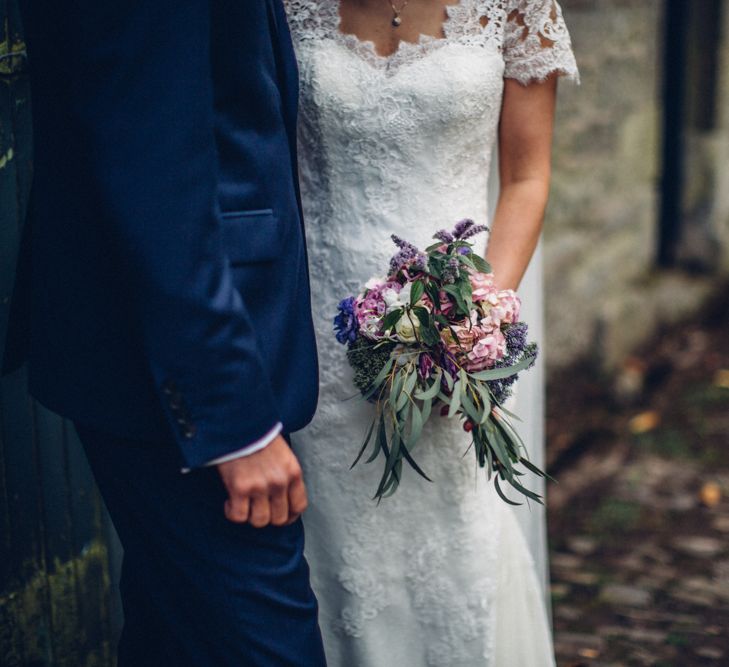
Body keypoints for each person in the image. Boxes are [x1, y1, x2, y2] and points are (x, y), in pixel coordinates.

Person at [3, 1, 327, 665]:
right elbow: (151, 158)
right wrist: (231, 421)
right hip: (178, 367)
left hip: (177, 341)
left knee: (175, 639)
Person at [283, 0, 579, 664]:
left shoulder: (518, 6)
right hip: (318, 343)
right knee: (332, 562)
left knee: (456, 543)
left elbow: (527, 179)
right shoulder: (283, 7)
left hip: (455, 332)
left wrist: (474, 322)